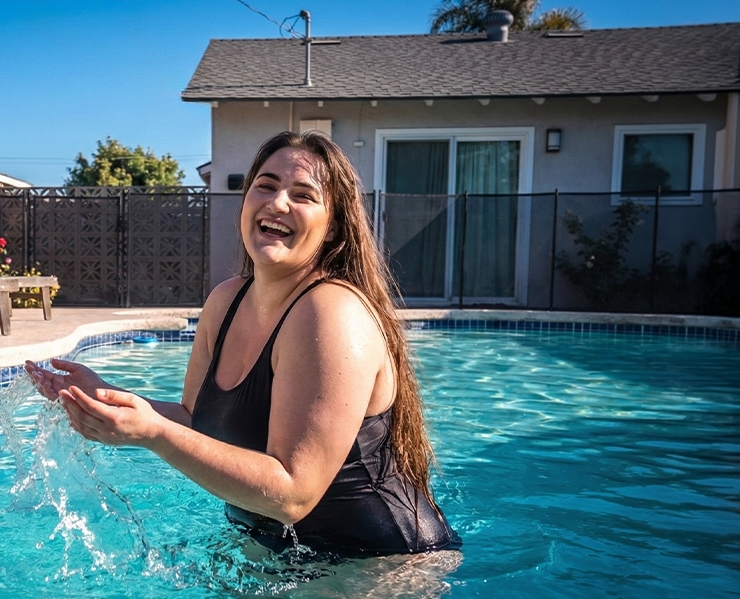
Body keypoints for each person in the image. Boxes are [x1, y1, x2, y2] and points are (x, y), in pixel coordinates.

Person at [25, 131, 461, 557]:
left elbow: (293, 494)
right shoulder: (227, 301)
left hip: (375, 563)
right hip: (276, 545)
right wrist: (105, 397)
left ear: (332, 229)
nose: (277, 203)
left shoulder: (331, 312)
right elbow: (194, 419)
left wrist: (153, 434)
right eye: (265, 186)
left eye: (304, 195)